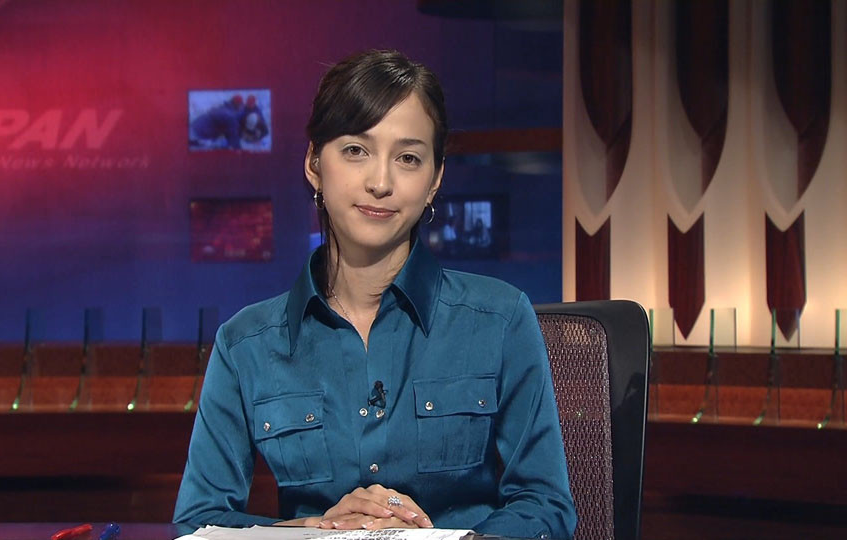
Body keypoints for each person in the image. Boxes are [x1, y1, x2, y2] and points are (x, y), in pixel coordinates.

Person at [173, 50, 576, 538]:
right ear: (314, 163)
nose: (381, 182)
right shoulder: (245, 345)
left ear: (435, 180)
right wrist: (316, 530)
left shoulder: (500, 318)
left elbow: (546, 506)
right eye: (355, 150)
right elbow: (198, 521)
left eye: (408, 158)